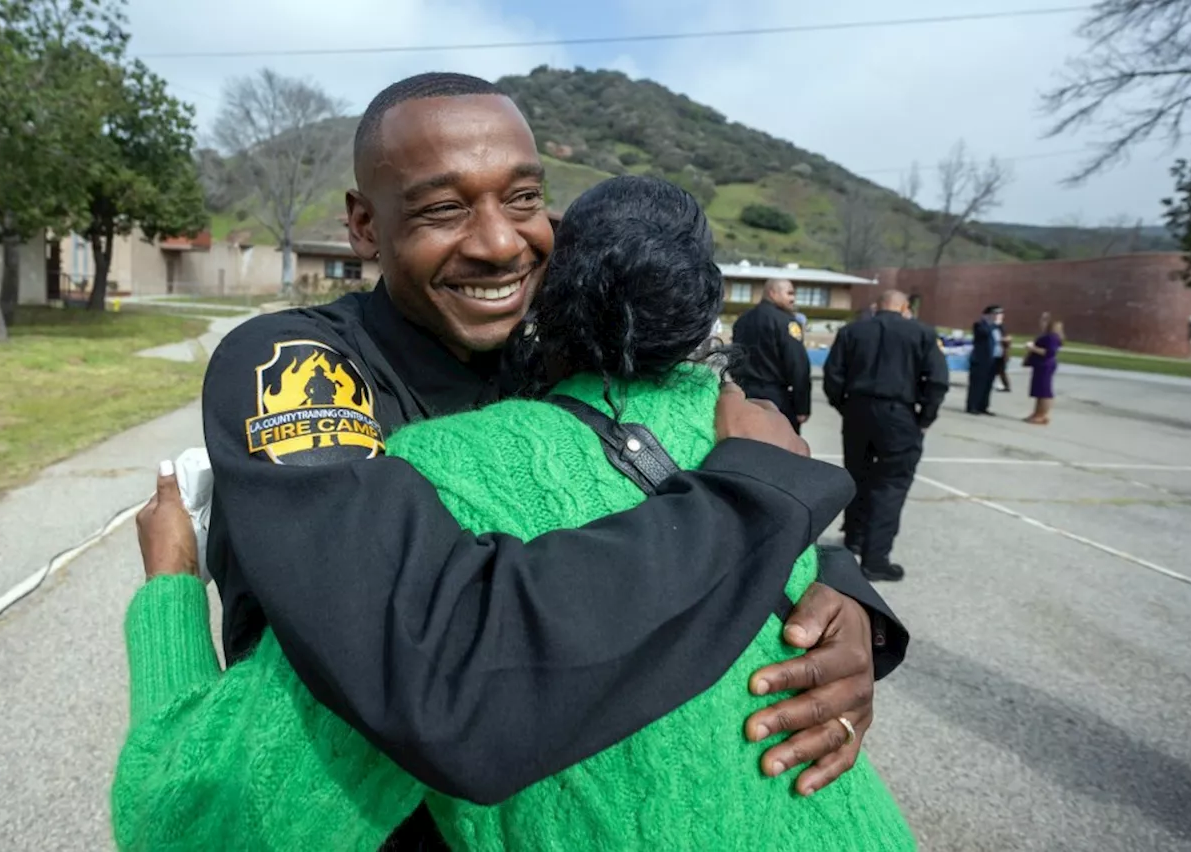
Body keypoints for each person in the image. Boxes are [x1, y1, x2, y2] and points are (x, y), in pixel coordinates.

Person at [190, 73, 904, 840]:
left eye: (523, 200)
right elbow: (441, 680)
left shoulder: (548, 352)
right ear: (365, 226)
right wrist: (756, 503)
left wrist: (842, 602)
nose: (501, 244)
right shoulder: (301, 370)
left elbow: (654, 464)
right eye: (443, 208)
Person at [824, 290, 949, 582]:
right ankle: (875, 558)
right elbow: (938, 380)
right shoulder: (922, 333)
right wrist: (925, 417)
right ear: (904, 307)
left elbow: (833, 375)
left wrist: (845, 407)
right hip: (898, 413)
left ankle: (854, 538)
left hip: (857, 411)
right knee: (891, 484)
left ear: (877, 307)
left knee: (857, 474)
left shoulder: (852, 331)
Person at [731, 278, 812, 433]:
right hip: (776, 399)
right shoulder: (786, 322)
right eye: (789, 293)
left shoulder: (743, 320)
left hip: (745, 395)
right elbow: (798, 365)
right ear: (772, 293)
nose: (793, 299)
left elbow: (734, 358)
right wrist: (802, 406)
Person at [1024, 318, 1064, 425]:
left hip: (1045, 365)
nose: (1042, 322)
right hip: (1040, 365)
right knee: (1039, 390)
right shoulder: (1047, 336)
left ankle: (1042, 415)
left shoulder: (1052, 337)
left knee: (1044, 391)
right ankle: (1037, 413)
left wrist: (1032, 348)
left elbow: (1049, 353)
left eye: (1045, 320)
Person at [967, 304, 1005, 415]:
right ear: (988, 315)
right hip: (981, 359)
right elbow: (984, 333)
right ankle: (972, 406)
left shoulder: (999, 327)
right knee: (977, 384)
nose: (999, 317)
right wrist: (993, 324)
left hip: (995, 359)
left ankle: (983, 406)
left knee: (988, 384)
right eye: (996, 314)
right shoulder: (980, 325)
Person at [994, 321, 1013, 393]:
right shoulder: (1005, 336)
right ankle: (1005, 385)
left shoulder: (1004, 336)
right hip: (1000, 354)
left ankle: (1007, 386)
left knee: (1001, 371)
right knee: (999, 370)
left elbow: (1007, 344)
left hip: (1002, 355)